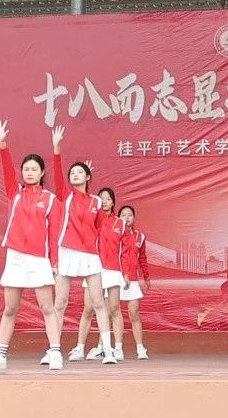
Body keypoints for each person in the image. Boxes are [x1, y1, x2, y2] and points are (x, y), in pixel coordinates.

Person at [0, 121, 63, 370]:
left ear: (42, 173)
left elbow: (54, 233)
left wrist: (54, 262)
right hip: (16, 256)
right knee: (10, 308)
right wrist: (2, 144)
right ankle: (0, 355)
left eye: (34, 169)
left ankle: (55, 353)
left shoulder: (50, 199)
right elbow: (6, 167)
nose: (29, 172)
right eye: (26, 169)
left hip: (38, 259)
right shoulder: (14, 193)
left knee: (47, 307)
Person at [48, 126, 113, 364]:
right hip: (67, 251)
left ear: (88, 177)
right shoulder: (65, 195)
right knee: (60, 302)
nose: (75, 175)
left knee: (98, 302)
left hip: (89, 254)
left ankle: (108, 349)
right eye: (72, 173)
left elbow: (98, 226)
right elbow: (57, 172)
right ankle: (54, 349)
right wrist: (56, 148)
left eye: (80, 172)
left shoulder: (96, 201)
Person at [76, 188, 127, 363]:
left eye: (108, 199)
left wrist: (127, 272)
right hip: (93, 269)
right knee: (88, 309)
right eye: (101, 199)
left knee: (114, 309)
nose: (104, 201)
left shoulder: (120, 223)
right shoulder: (91, 221)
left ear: (113, 202)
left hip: (112, 269)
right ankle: (80, 348)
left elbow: (126, 251)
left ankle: (117, 348)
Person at [118, 204, 151, 360]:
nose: (127, 218)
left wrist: (146, 277)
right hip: (116, 278)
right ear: (119, 218)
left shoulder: (140, 237)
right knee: (112, 314)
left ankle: (140, 347)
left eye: (130, 215)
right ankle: (114, 348)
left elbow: (142, 259)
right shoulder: (115, 235)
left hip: (132, 280)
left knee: (134, 314)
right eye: (123, 215)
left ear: (134, 218)